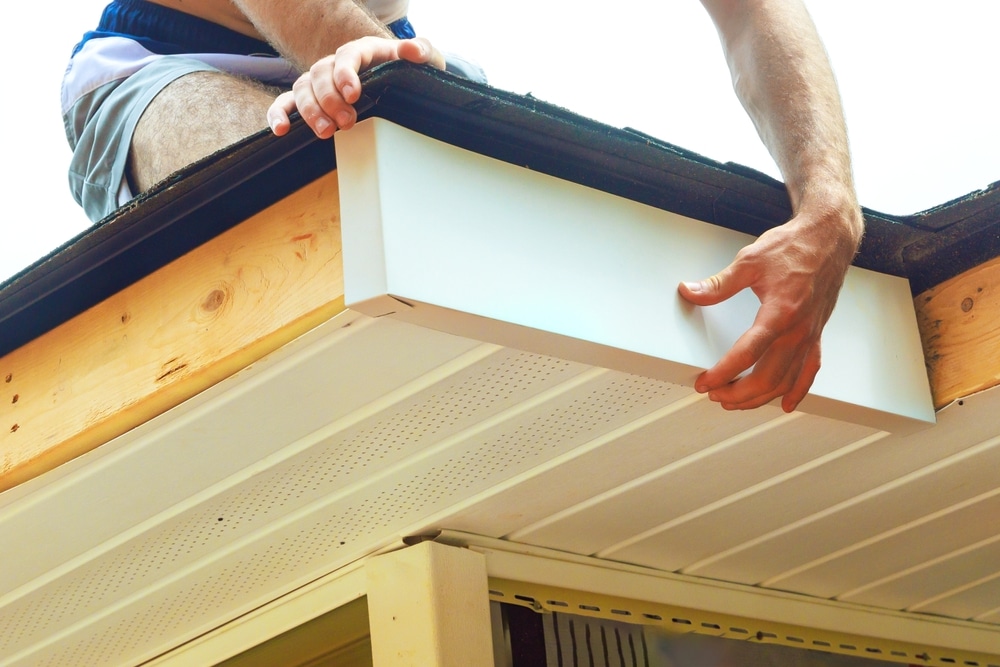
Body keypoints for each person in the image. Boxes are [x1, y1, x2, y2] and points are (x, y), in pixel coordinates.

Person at [63, 0, 863, 415]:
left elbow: (755, 12)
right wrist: (405, 86)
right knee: (328, 209)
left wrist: (829, 203)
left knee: (512, 251)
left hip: (392, 53)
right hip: (168, 60)